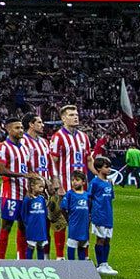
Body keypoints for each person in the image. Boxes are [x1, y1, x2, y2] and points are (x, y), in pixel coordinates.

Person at [49, 105, 92, 258]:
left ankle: (84, 256)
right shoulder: (58, 137)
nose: (75, 117)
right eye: (71, 115)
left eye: (76, 114)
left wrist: (99, 175)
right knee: (60, 222)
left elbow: (89, 160)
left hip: (81, 189)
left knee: (84, 221)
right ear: (63, 118)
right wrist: (57, 183)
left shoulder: (84, 137)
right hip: (65, 186)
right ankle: (60, 256)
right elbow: (52, 161)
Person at [0, 117, 28, 258]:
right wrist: (23, 175)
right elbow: (1, 170)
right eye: (17, 128)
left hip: (24, 193)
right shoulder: (3, 147)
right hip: (10, 194)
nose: (21, 130)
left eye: (21, 128)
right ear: (8, 129)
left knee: (23, 226)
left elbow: (27, 168)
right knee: (7, 225)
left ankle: (21, 259)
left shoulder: (24, 148)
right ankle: (1, 260)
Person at [89, 155, 119, 274]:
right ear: (99, 168)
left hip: (108, 214)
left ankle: (105, 263)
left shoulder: (109, 182)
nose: (109, 169)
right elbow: (89, 197)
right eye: (106, 167)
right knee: (100, 239)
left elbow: (111, 197)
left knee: (107, 239)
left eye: (109, 167)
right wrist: (90, 213)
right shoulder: (95, 182)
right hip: (99, 214)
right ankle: (100, 264)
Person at [61, 172, 92, 261]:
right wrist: (68, 220)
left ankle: (81, 265)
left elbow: (90, 208)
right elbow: (63, 208)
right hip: (74, 224)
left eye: (77, 180)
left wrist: (89, 219)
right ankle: (71, 265)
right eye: (72, 180)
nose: (74, 182)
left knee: (82, 245)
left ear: (83, 182)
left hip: (84, 225)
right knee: (72, 244)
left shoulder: (87, 195)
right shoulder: (69, 194)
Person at [21, 176, 53, 259]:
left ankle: (40, 264)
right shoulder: (28, 199)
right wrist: (28, 224)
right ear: (32, 186)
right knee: (31, 246)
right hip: (32, 227)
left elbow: (45, 213)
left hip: (41, 228)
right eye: (40, 187)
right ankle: (28, 264)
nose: (42, 189)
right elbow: (24, 213)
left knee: (41, 246)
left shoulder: (42, 199)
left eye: (43, 187)